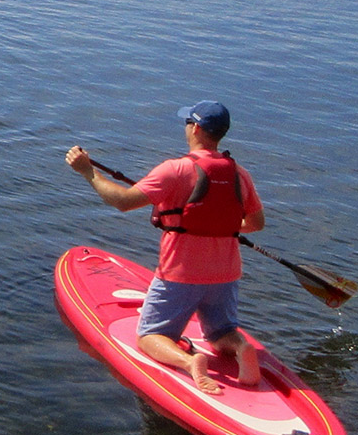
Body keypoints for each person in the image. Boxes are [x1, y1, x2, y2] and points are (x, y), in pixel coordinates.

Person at [66, 101, 265, 395]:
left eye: (187, 122)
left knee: (149, 336)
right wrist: (218, 227)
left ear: (195, 128)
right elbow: (256, 223)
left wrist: (88, 172)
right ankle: (240, 346)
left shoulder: (175, 169)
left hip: (179, 274)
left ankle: (189, 362)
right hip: (226, 274)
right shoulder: (239, 173)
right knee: (221, 332)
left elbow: (123, 201)